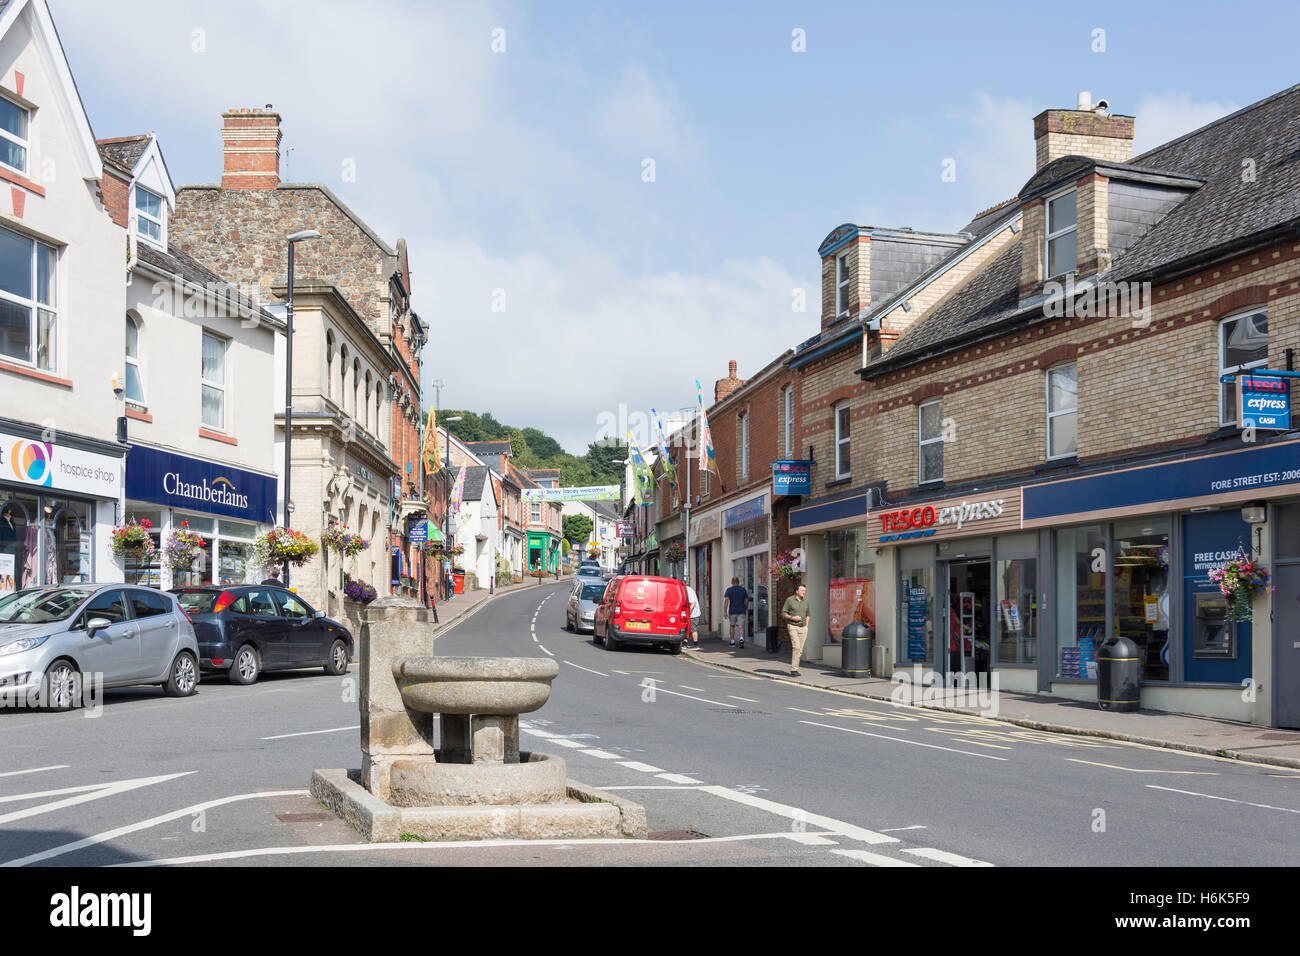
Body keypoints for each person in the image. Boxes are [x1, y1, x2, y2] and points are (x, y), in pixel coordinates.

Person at [782, 583, 810, 676]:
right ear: (797, 591)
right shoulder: (790, 600)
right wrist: (793, 618)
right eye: (802, 591)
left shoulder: (806, 602)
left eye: (805, 591)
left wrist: (806, 626)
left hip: (803, 628)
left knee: (800, 650)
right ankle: (794, 669)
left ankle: (795, 669)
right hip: (793, 626)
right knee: (796, 647)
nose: (804, 592)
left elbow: (808, 615)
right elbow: (783, 613)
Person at [724, 576, 749, 647]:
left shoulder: (729, 590)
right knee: (741, 626)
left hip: (732, 611)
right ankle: (741, 638)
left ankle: (732, 642)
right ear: (738, 582)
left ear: (732, 582)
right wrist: (745, 608)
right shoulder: (743, 590)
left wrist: (725, 611)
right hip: (741, 610)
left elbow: (726, 601)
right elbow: (747, 600)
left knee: (732, 626)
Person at [684, 582, 701, 649]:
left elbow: (693, 603)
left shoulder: (688, 590)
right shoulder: (686, 590)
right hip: (691, 614)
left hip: (693, 614)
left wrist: (688, 611)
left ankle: (696, 645)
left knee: (693, 629)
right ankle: (685, 643)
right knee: (687, 629)